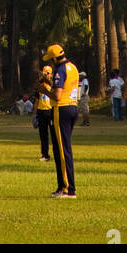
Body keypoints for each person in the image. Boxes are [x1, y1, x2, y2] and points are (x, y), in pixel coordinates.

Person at [44, 43, 80, 197]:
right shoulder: (73, 67)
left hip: (61, 108)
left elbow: (57, 95)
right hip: (73, 107)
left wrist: (43, 90)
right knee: (63, 148)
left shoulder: (59, 70)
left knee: (62, 150)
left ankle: (67, 188)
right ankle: (63, 186)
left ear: (54, 59)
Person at [33, 64, 53, 161]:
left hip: (51, 111)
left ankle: (58, 154)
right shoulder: (39, 85)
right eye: (45, 73)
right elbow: (36, 100)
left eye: (48, 73)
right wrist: (34, 114)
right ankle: (45, 155)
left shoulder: (53, 84)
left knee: (54, 134)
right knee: (43, 135)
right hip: (41, 111)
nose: (46, 75)